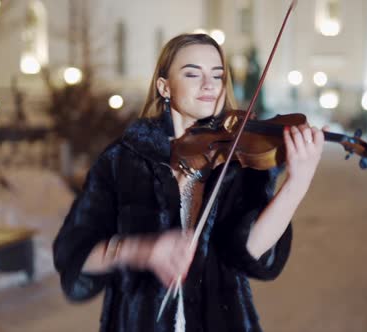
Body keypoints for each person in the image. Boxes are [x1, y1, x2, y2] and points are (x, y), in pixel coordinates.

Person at [53, 33, 325, 332]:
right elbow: (75, 255)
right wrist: (141, 250)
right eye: (193, 73)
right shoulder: (122, 159)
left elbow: (251, 251)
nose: (209, 85)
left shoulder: (237, 159)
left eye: (218, 76)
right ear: (164, 86)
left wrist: (297, 184)